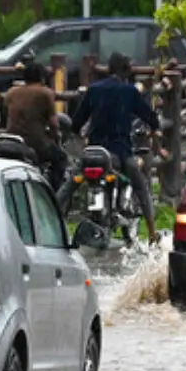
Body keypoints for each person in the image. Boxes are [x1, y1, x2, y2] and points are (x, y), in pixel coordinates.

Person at [70, 51, 161, 243]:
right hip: (120, 151)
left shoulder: (94, 90)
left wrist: (81, 134)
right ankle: (152, 232)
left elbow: (76, 122)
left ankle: (57, 216)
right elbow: (150, 117)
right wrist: (154, 129)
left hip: (94, 152)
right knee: (141, 185)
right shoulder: (130, 91)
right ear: (126, 70)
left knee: (71, 182)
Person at [3, 61, 66, 188]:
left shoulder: (11, 92)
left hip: (11, 140)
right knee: (60, 158)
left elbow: (6, 112)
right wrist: (57, 136)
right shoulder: (45, 93)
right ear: (42, 77)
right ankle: (55, 194)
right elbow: (53, 123)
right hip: (36, 143)